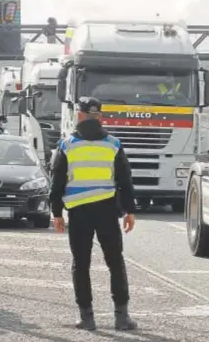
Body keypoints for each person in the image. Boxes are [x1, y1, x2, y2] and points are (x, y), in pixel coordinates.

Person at [49, 96, 137, 332]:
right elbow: (125, 181)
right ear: (100, 117)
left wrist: (56, 212)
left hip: (78, 212)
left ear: (79, 115)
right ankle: (121, 317)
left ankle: (87, 318)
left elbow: (56, 181)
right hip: (107, 210)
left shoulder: (66, 145)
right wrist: (129, 211)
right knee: (115, 261)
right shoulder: (113, 144)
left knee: (81, 263)